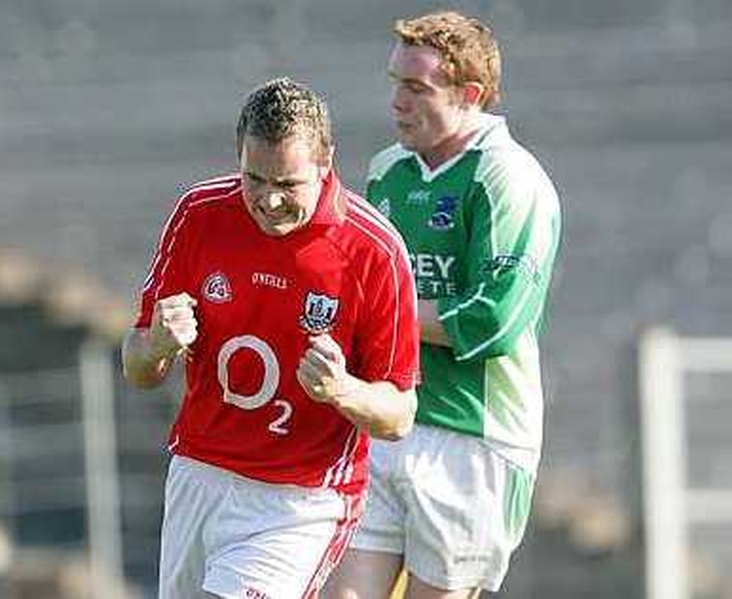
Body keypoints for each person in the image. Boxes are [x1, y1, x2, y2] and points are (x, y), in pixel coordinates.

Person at [121, 77, 420, 599]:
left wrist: (343, 390)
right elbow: (137, 366)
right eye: (253, 178)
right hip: (199, 476)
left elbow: (399, 415)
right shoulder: (199, 215)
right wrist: (158, 345)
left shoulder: (374, 251)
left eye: (288, 183)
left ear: (327, 160)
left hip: (298, 504)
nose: (269, 200)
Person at [323, 10, 561, 599]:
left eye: (416, 87)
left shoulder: (509, 178)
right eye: (395, 83)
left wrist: (381, 314)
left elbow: (494, 320)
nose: (397, 102)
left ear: (470, 94)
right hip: (386, 420)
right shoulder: (387, 172)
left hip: (473, 440)